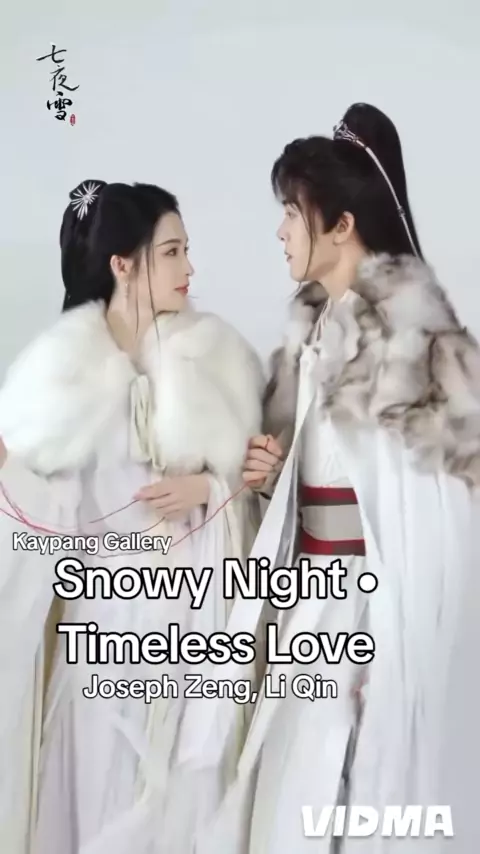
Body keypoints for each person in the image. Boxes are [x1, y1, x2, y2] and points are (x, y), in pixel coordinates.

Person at [191, 104, 480, 852]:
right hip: (309, 608)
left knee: (350, 800)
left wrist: (395, 648)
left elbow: (439, 519)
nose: (282, 231)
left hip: (366, 617)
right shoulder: (316, 335)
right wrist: (275, 479)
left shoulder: (410, 347)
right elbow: (329, 477)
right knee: (291, 799)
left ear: (342, 225)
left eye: (293, 212)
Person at [0, 179, 265, 854]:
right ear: (123, 264)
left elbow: (256, 493)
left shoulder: (215, 359)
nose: (189, 267)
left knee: (188, 806)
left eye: (186, 250)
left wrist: (210, 486)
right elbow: (46, 521)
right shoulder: (60, 377)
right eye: (171, 252)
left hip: (195, 632)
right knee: (102, 798)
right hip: (105, 633)